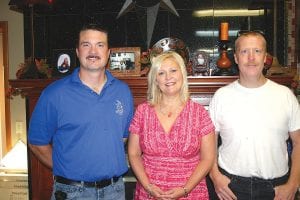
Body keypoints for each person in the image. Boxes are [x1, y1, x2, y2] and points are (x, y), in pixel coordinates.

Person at [28, 23, 134, 200]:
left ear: (108, 53)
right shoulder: (54, 94)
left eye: (100, 45)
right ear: (77, 52)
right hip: (71, 193)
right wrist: (65, 168)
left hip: (114, 192)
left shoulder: (123, 91)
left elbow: (122, 136)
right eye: (86, 45)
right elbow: (37, 142)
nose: (93, 51)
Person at [208, 31, 300, 200]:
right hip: (229, 188)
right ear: (236, 58)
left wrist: (293, 184)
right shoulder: (221, 96)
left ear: (265, 57)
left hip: (277, 190)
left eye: (257, 51)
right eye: (244, 52)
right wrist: (215, 177)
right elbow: (208, 143)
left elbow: (298, 142)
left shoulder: (286, 96)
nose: (251, 58)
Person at [128, 51, 216, 199]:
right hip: (149, 194)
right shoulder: (143, 111)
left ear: (182, 74)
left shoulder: (199, 113)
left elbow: (208, 158)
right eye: (161, 73)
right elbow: (133, 153)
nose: (168, 77)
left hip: (191, 194)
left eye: (173, 71)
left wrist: (185, 189)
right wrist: (148, 187)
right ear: (155, 79)